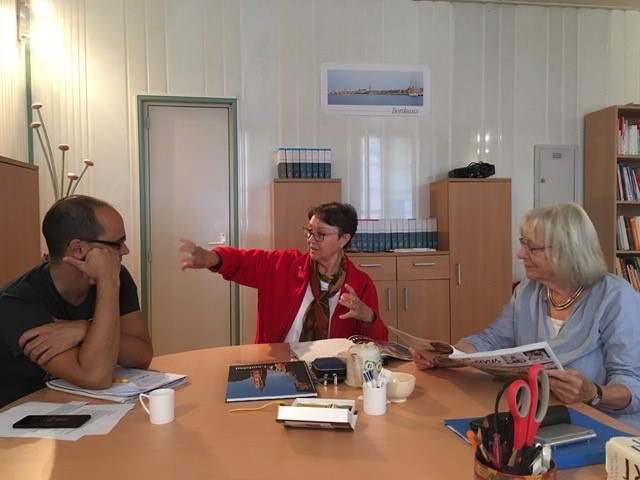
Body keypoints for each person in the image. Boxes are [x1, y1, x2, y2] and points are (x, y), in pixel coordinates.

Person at [411, 202, 640, 429]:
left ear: (567, 251)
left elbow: (633, 386)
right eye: (523, 244)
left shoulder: (616, 298)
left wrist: (593, 392)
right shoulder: (528, 289)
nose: (520, 253)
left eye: (532, 248)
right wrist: (446, 355)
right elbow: (494, 339)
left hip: (604, 429)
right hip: (538, 416)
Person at [0, 195, 153, 407]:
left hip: (81, 406)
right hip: (23, 424)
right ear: (78, 249)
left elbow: (142, 355)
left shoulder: (117, 275)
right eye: (117, 244)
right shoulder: (16, 302)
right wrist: (108, 283)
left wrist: (83, 329)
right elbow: (96, 377)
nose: (125, 251)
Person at [179, 202, 388, 343]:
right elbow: (245, 260)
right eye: (309, 231)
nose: (310, 240)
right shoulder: (284, 265)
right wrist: (214, 258)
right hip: (278, 367)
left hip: (331, 373)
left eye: (320, 234)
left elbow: (379, 343)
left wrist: (369, 317)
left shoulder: (360, 283)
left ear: (343, 239)